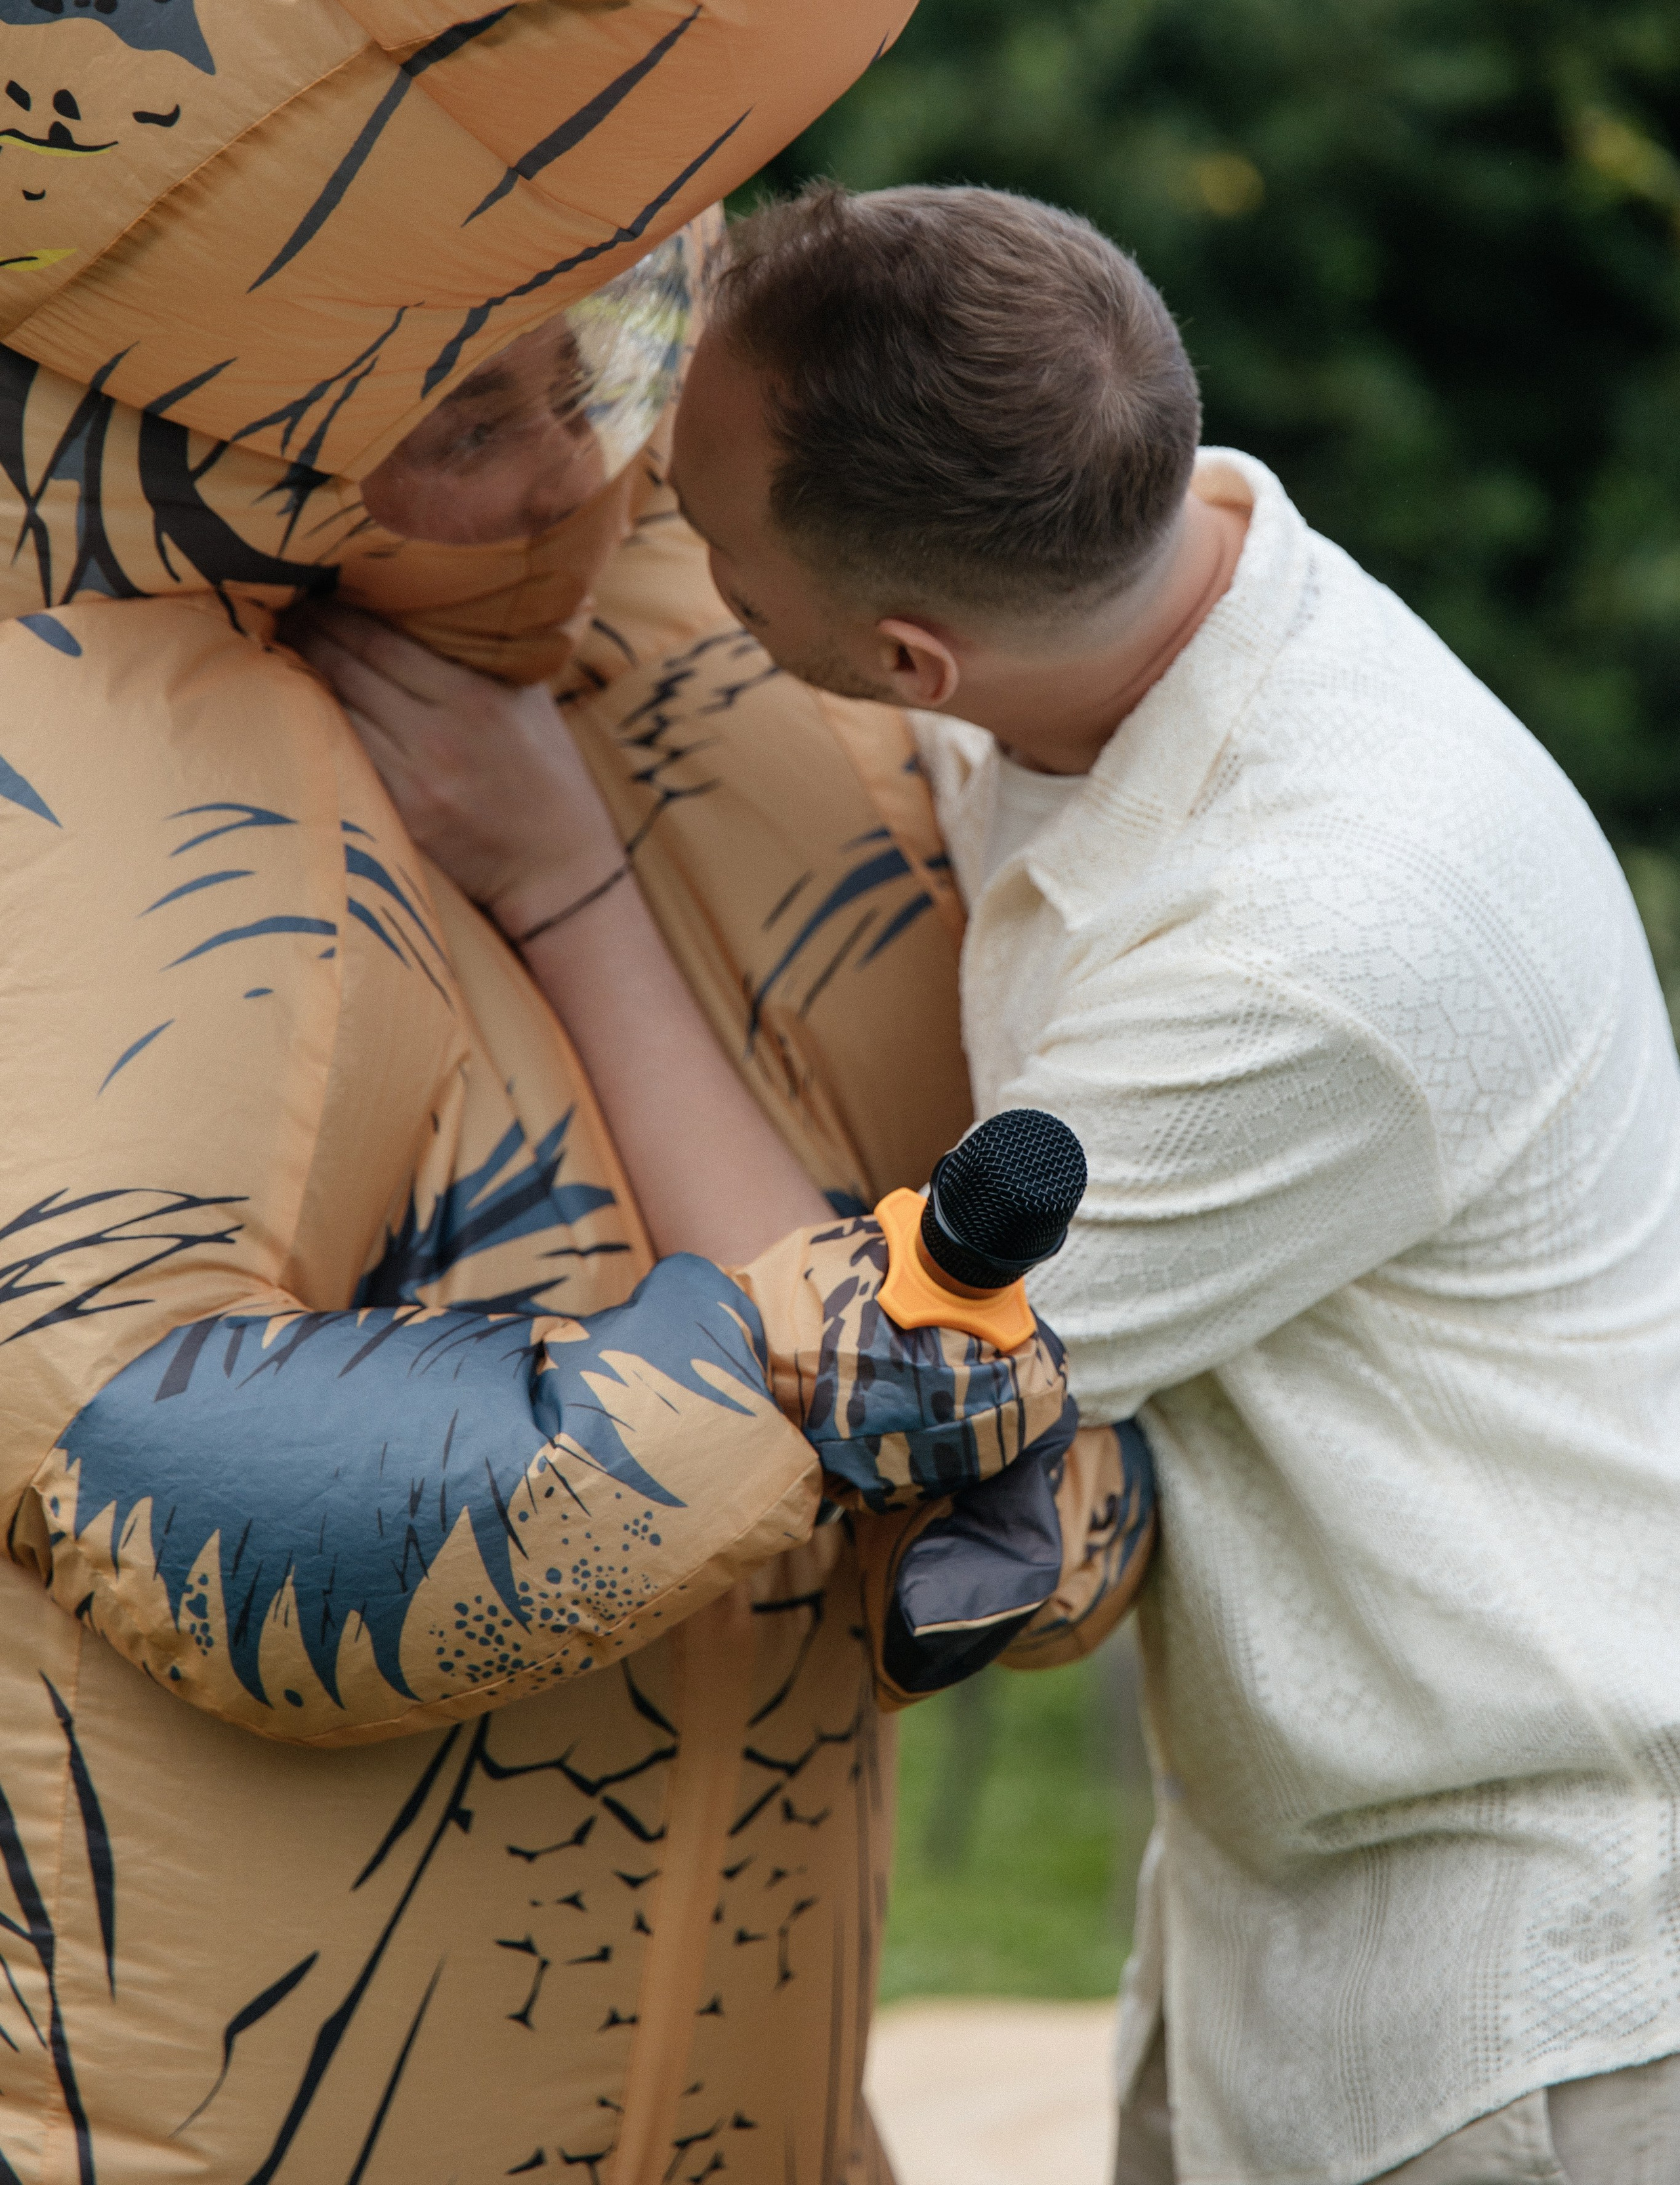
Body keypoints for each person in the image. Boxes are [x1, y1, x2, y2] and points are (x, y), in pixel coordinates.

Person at [309, 182, 1680, 2185]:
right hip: (1273, 1898)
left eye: (704, 532)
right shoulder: (1129, 586)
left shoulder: (1315, 944)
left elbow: (889, 1375)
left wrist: (559, 877)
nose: (638, 517)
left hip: (1515, 1982)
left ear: (906, 660)